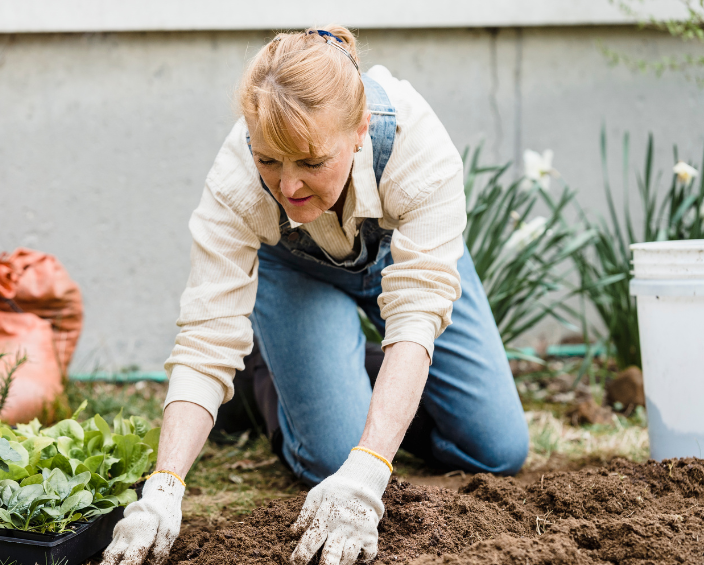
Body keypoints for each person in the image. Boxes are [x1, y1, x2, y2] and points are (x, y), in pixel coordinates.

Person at [102, 25, 529, 565]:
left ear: (358, 130)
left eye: (310, 161)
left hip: (404, 261)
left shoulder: (417, 147)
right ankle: (269, 379)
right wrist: (163, 491)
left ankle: (321, 366)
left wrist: (370, 470)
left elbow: (417, 314)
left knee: (496, 451)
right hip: (296, 271)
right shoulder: (235, 181)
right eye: (269, 161)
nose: (288, 187)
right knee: (332, 458)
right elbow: (206, 339)